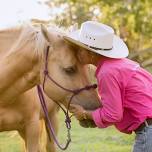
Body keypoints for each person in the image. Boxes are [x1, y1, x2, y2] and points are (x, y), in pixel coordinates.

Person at [63, 21, 152, 152]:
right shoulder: (121, 64)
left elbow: (114, 115)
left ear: (91, 53)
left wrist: (85, 114)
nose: (77, 53)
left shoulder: (107, 72)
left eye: (79, 49)